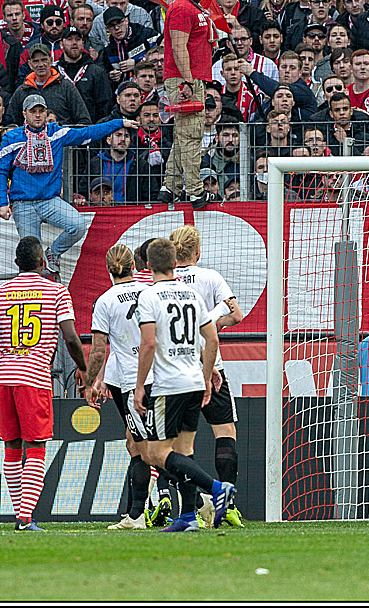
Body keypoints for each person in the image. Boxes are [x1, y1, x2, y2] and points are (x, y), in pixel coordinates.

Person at [0, 236, 88, 531]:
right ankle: (25, 518)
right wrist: (84, 369)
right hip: (34, 377)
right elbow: (71, 337)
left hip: (4, 378)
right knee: (36, 446)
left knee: (12, 446)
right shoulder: (57, 292)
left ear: (16, 264)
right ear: (42, 262)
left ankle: (20, 516)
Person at [133, 238, 236, 532]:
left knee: (156, 453)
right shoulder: (192, 294)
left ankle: (216, 488)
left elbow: (149, 343)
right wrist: (207, 374)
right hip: (194, 380)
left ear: (149, 265)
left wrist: (141, 385)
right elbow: (212, 338)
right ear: (175, 263)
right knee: (185, 450)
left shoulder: (150, 296)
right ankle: (188, 516)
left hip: (169, 384)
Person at [0, 94, 138, 277]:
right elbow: (1, 170)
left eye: (41, 111)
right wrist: (2, 202)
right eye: (33, 112)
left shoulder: (57, 133)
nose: (38, 115)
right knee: (32, 260)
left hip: (50, 201)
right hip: (23, 204)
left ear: (46, 113)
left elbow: (88, 133)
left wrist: (118, 123)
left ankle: (53, 253)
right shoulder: (12, 137)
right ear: (25, 114)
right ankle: (43, 295)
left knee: (78, 225)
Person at [83, 244, 165, 530]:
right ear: (134, 266)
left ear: (108, 270)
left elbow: (98, 350)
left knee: (146, 449)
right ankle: (139, 512)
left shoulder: (105, 301)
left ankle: (201, 495)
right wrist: (103, 378)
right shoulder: (150, 292)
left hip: (135, 382)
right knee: (138, 443)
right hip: (159, 375)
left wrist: (88, 380)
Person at [171, 225, 245, 528]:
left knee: (177, 446)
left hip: (176, 369)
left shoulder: (163, 281)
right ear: (197, 252)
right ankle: (226, 504)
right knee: (225, 432)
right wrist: (211, 328)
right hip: (212, 366)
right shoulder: (211, 277)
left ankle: (188, 510)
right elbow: (236, 314)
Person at [161, 0, 217, 208]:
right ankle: (195, 192)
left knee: (183, 137)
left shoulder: (194, 8)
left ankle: (169, 187)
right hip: (185, 80)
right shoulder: (182, 9)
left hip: (191, 78)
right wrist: (188, 81)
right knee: (193, 136)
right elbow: (178, 46)